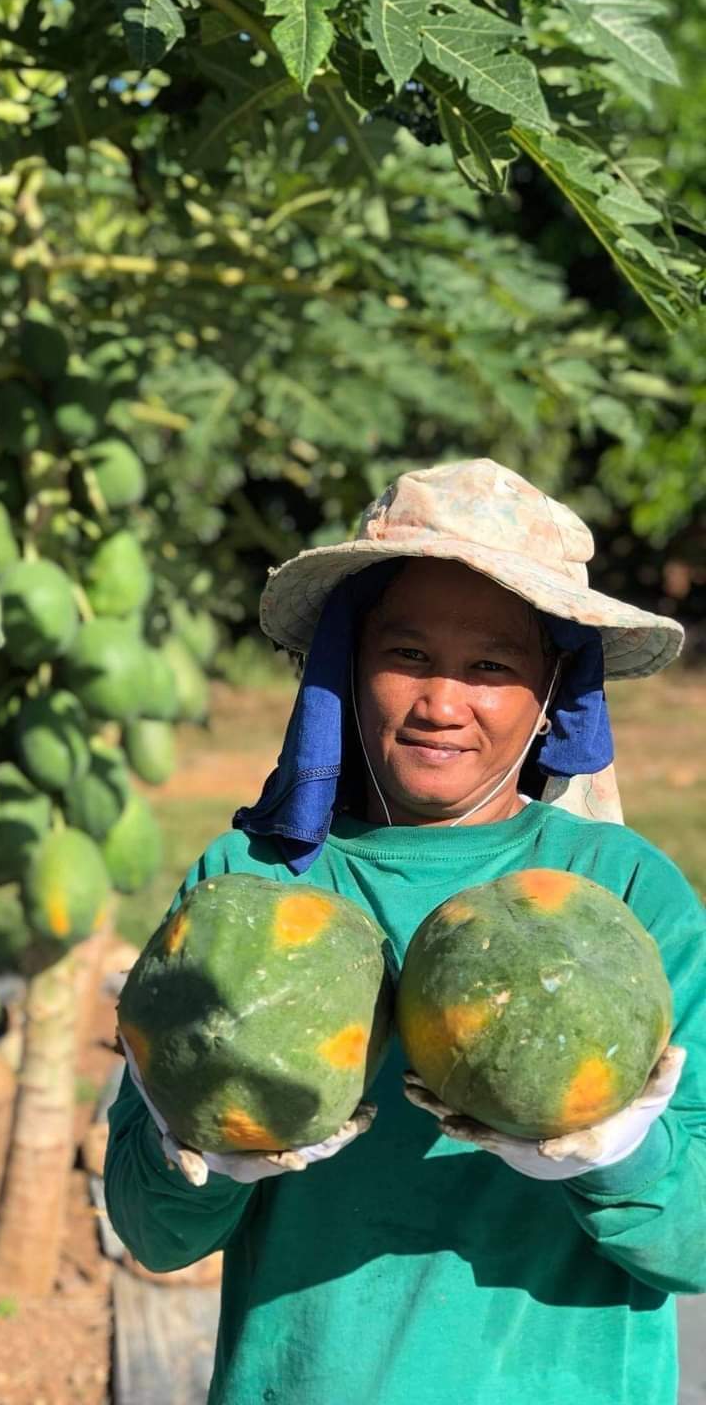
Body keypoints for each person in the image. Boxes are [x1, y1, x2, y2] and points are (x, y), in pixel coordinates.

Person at [104, 459, 705, 1405]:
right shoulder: (249, 887)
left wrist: (621, 1154)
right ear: (349, 661)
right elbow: (152, 1231)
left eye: (493, 667)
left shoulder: (626, 897)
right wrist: (197, 1150)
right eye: (408, 654)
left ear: (554, 688)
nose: (442, 702)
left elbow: (694, 1248)